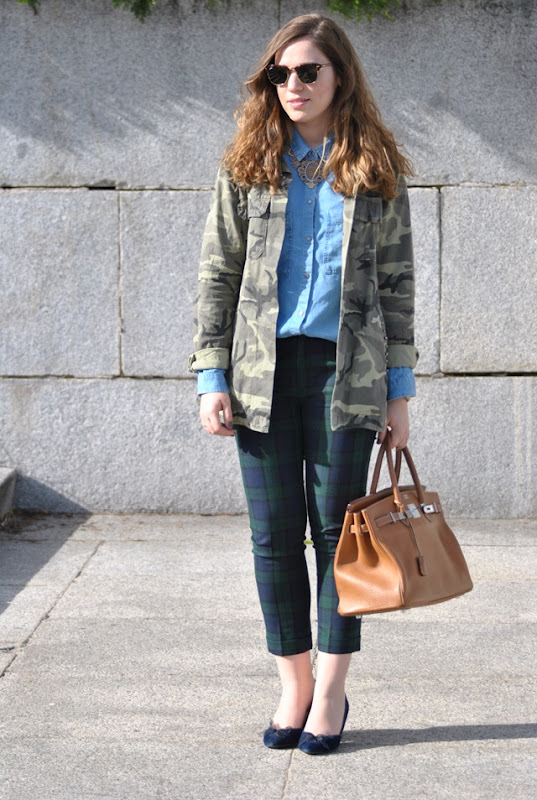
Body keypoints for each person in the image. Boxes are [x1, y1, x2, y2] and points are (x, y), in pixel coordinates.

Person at [189, 13, 418, 755]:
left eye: (308, 71)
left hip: (346, 376)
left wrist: (400, 392)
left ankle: (331, 690)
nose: (293, 84)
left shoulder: (374, 168)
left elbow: (397, 287)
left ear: (338, 77)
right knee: (272, 536)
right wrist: (211, 375)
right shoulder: (248, 163)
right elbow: (217, 274)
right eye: (280, 73)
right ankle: (291, 683)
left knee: (339, 538)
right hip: (260, 374)